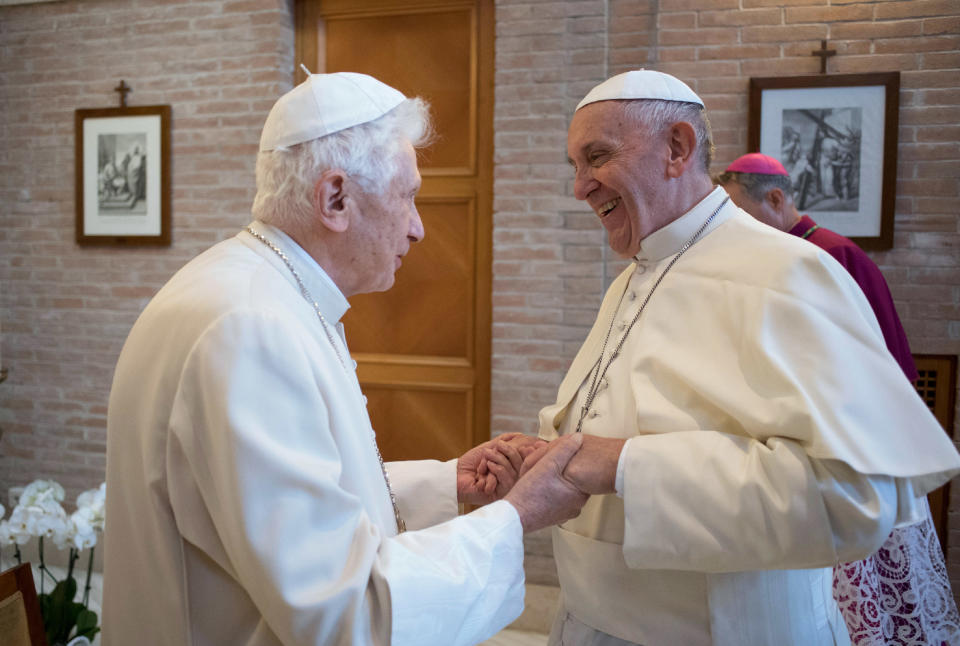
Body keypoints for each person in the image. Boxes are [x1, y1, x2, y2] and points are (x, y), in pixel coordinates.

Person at [102, 71, 588, 646]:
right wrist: (515, 518)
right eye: (407, 196)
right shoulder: (250, 328)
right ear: (335, 198)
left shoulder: (258, 289)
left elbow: (285, 499)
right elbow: (341, 611)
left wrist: (443, 482)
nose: (418, 227)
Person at [518, 70, 960, 646]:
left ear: (677, 147)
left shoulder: (788, 273)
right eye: (574, 166)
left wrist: (623, 465)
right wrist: (555, 451)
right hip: (589, 622)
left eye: (597, 157)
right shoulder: (634, 276)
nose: (580, 186)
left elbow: (856, 496)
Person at [717, 152, 959, 644]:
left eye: (737, 212)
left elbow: (872, 368)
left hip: (850, 444)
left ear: (777, 199)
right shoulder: (773, 256)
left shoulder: (831, 255)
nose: (732, 227)